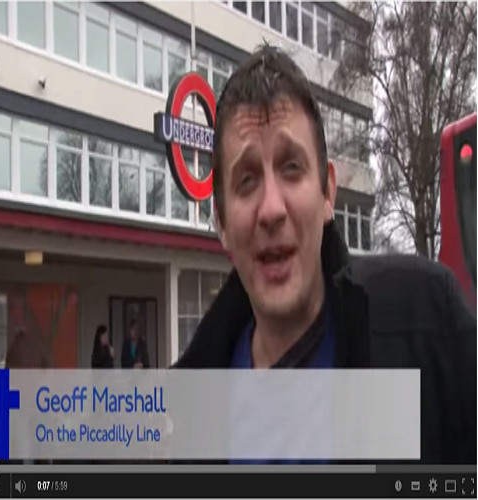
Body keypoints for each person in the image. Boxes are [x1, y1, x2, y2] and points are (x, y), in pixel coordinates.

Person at [174, 45, 476, 464]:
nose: (272, 209)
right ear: (221, 221)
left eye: (291, 168)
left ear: (328, 193)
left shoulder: (425, 324)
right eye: (246, 180)